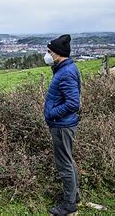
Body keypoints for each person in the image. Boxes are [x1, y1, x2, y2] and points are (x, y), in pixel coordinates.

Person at [43, 34, 81, 216]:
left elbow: (74, 103)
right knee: (68, 160)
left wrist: (52, 114)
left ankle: (69, 204)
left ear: (58, 53)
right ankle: (75, 196)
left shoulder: (65, 73)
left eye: (49, 51)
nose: (47, 55)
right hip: (63, 124)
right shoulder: (64, 69)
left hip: (62, 126)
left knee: (64, 164)